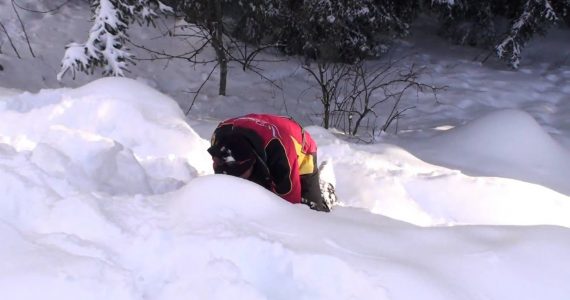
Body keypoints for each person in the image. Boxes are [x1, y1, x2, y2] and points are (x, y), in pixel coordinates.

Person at [207, 113, 331, 212]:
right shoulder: (219, 138)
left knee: (311, 211)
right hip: (260, 132)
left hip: (299, 146)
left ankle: (324, 189)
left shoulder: (279, 150)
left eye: (239, 177)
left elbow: (290, 207)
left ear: (252, 162)